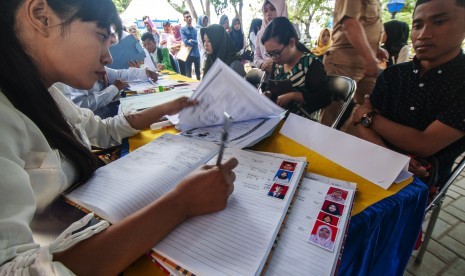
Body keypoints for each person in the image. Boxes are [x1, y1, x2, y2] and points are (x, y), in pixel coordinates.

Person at [0, 0, 238, 274]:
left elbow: (101, 130)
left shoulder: (47, 94)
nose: (108, 57)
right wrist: (180, 203)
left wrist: (166, 107)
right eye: (101, 37)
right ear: (42, 17)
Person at [351, 0, 465, 190]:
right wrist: (390, 158)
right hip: (372, 160)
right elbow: (360, 126)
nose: (423, 35)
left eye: (439, 22)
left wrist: (367, 116)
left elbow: (423, 144)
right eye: (418, 25)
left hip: (419, 183)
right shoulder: (393, 74)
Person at [319, 0, 388, 127]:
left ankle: (348, 144)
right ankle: (320, 145)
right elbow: (350, 24)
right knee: (332, 116)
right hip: (343, 63)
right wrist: (369, 57)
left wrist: (374, 49)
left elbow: (366, 26)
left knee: (368, 112)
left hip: (366, 64)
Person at [261, 17, 332, 121]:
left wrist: (293, 96)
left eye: (276, 53)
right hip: (278, 119)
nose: (273, 58)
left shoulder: (311, 64)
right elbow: (271, 87)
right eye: (270, 54)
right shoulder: (278, 63)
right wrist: (267, 94)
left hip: (301, 124)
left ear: (291, 42)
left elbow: (324, 98)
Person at [56, 66, 158, 118]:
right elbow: (83, 106)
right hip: (97, 121)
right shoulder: (72, 75)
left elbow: (119, 74)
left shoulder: (96, 65)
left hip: (110, 114)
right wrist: (114, 88)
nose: (109, 58)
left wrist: (144, 72)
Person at [254, 0, 289, 76]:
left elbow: (293, 54)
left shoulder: (290, 30)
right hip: (267, 77)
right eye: (265, 11)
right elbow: (256, 56)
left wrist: (274, 63)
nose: (268, 14)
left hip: (289, 76)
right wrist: (262, 64)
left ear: (281, 8)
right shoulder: (260, 33)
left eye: (272, 9)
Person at [181, 11, 201, 80]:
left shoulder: (196, 30)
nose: (189, 18)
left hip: (196, 54)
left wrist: (191, 41)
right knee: (188, 75)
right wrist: (193, 42)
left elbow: (199, 41)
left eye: (190, 17)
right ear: (184, 19)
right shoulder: (183, 29)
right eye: (187, 17)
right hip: (188, 54)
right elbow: (185, 42)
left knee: (198, 74)